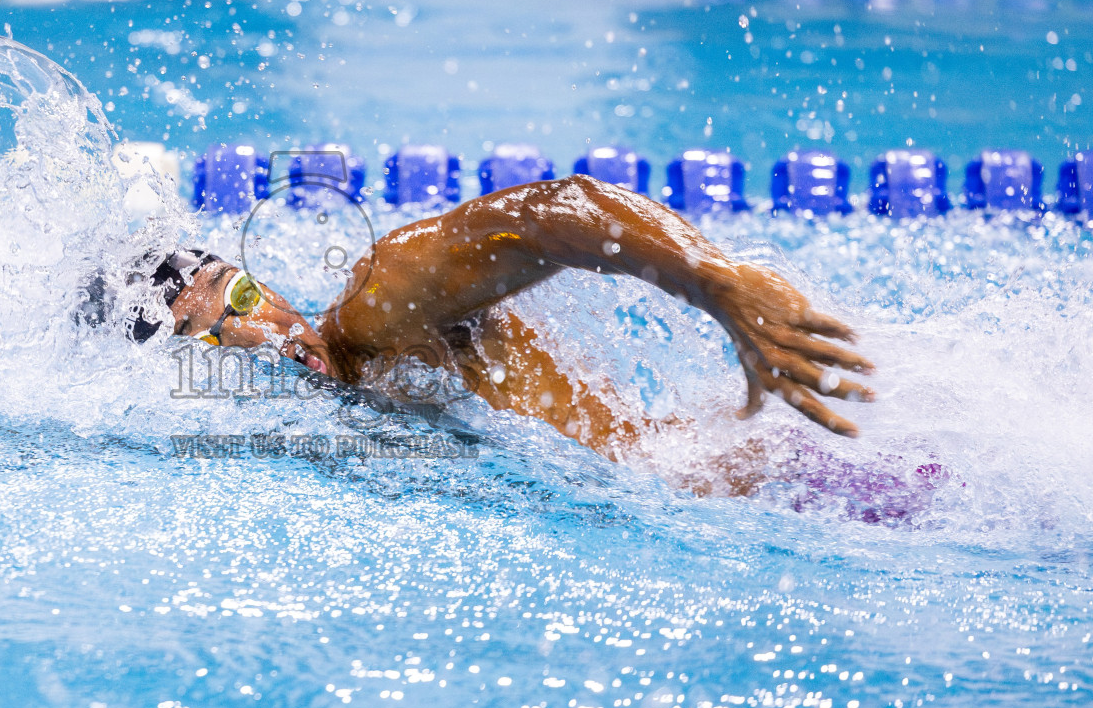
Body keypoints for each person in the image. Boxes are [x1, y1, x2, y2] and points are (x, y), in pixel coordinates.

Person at [122, 173, 874, 462]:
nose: (259, 336)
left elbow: (551, 213)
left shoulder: (376, 311)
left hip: (783, 479)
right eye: (213, 338)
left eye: (245, 299)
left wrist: (718, 284)